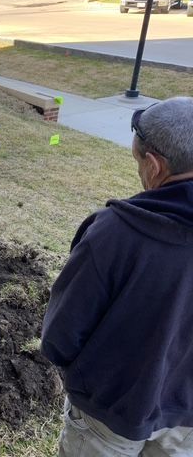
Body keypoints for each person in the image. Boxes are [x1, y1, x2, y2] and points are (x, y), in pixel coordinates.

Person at [41, 96, 193, 456]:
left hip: (108, 414)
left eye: (137, 161)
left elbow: (60, 338)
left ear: (154, 166)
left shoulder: (114, 234)